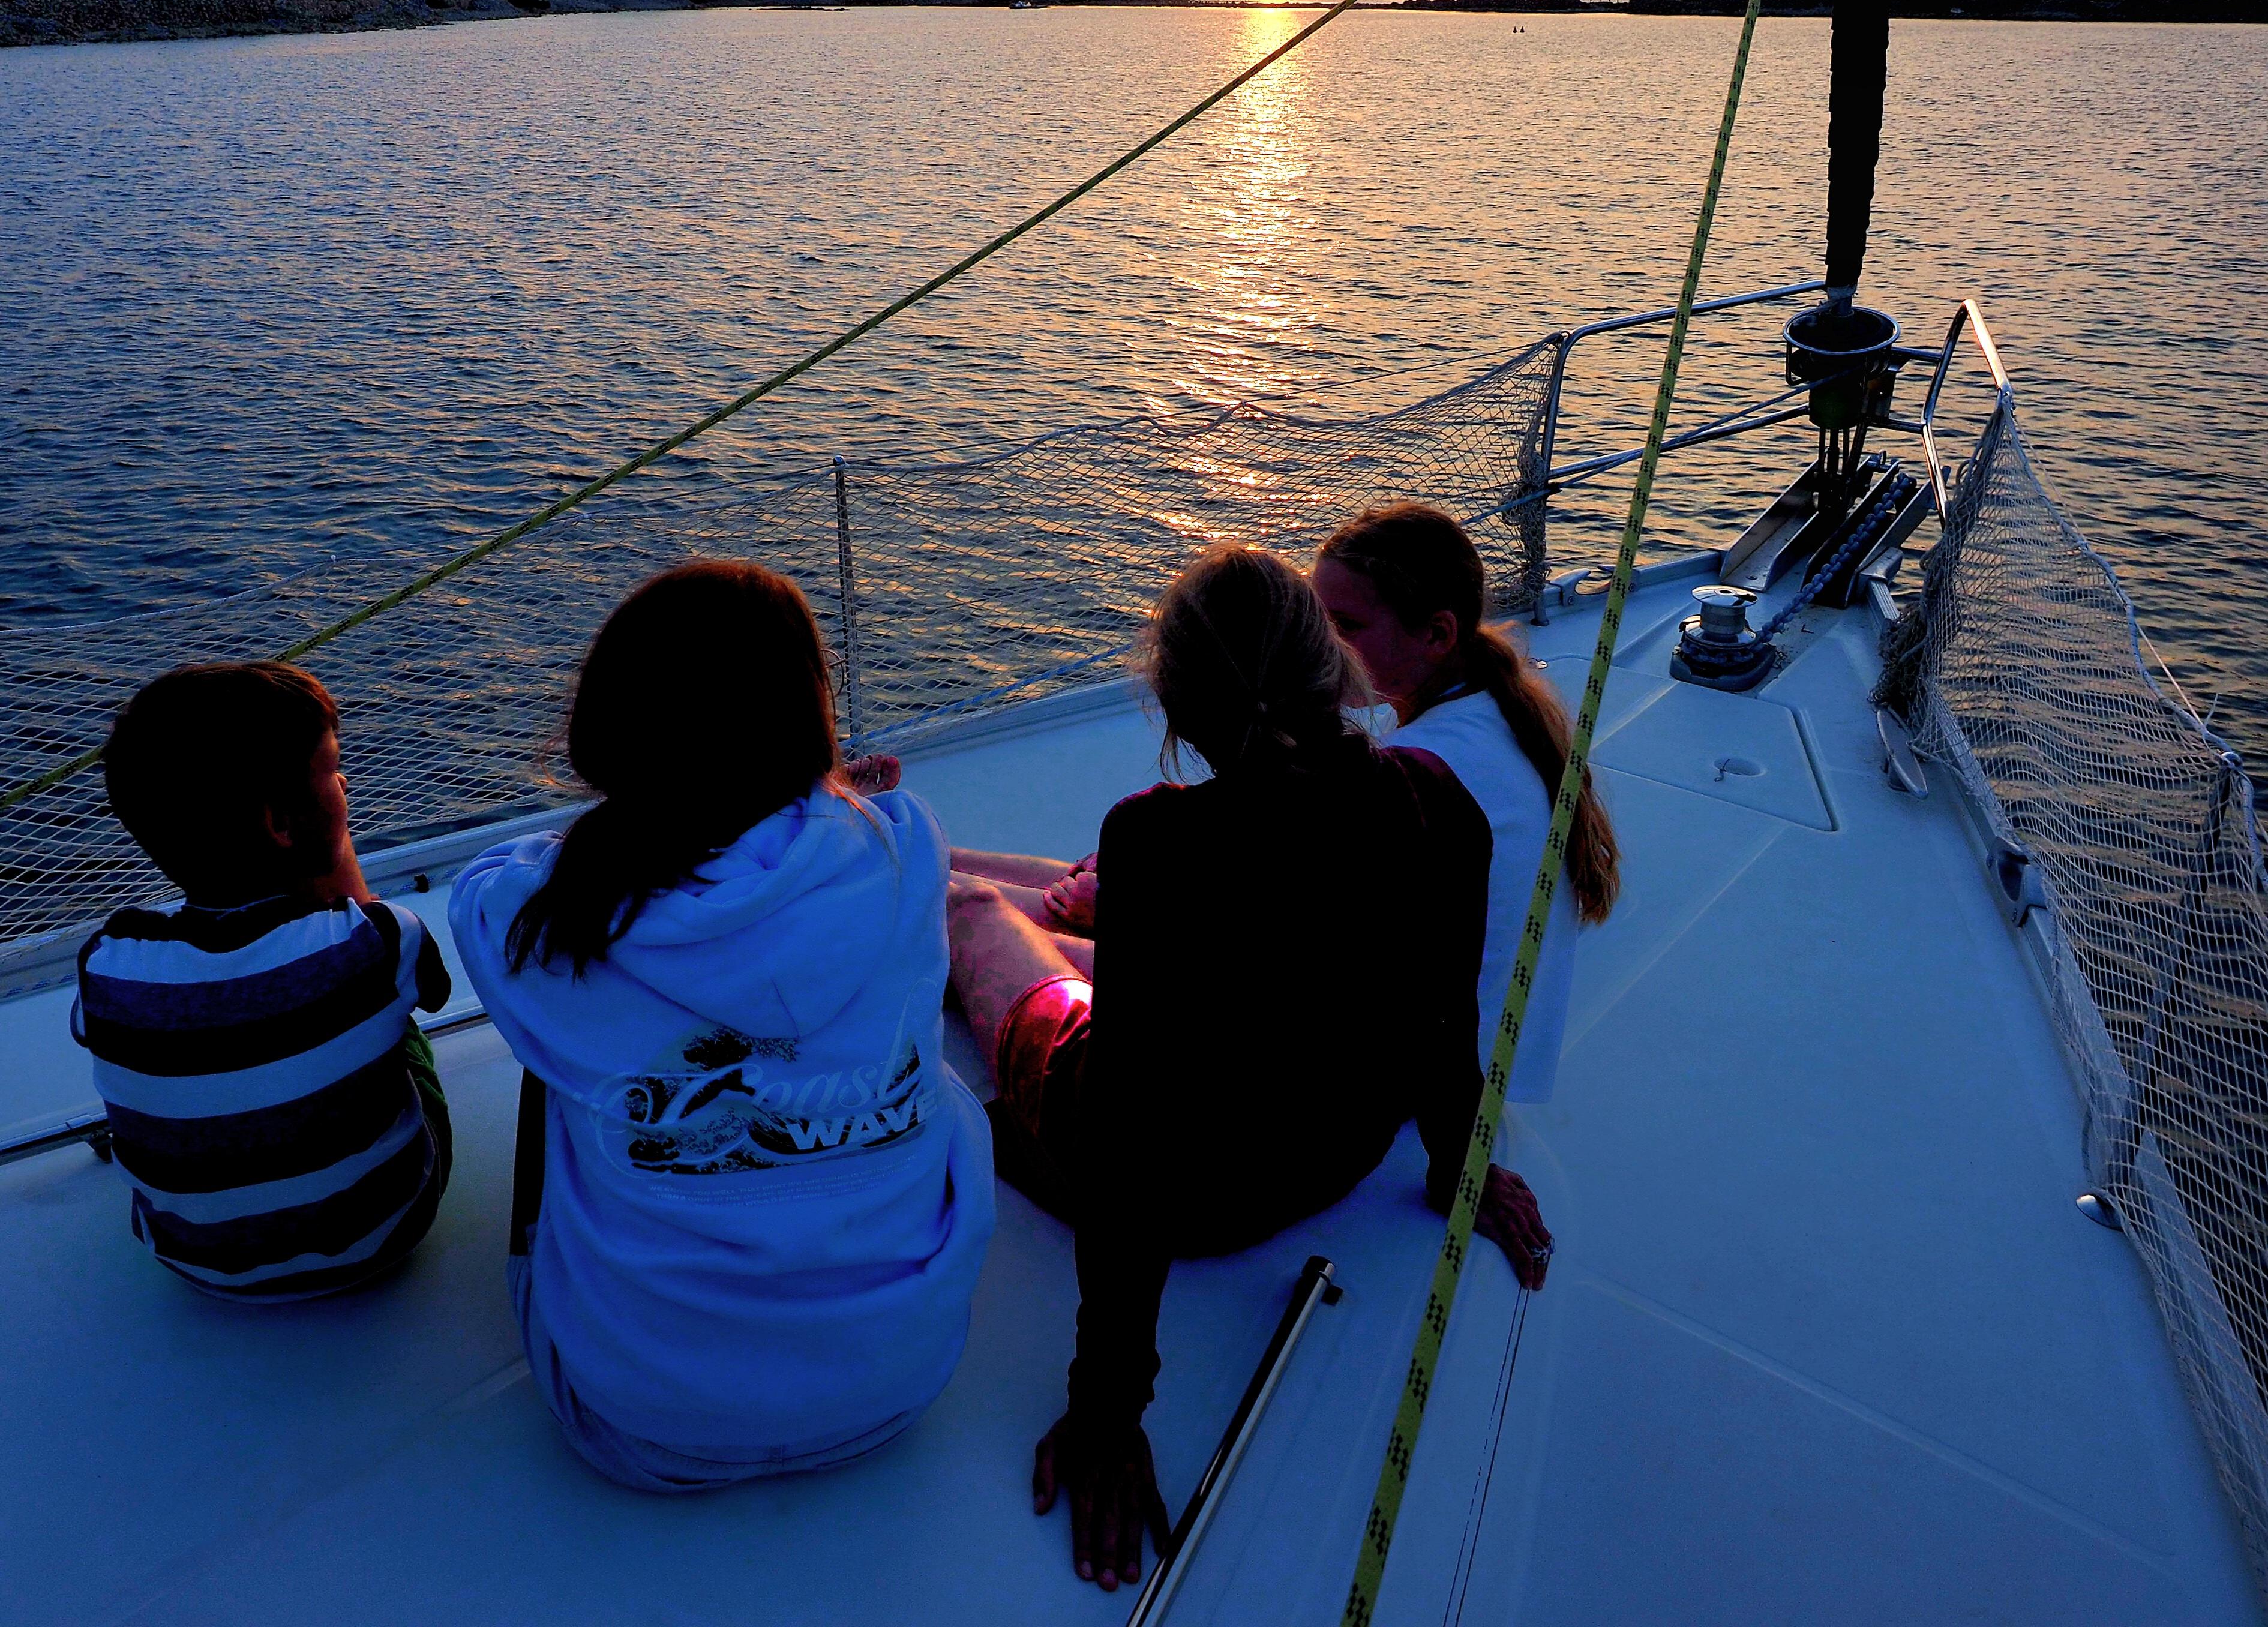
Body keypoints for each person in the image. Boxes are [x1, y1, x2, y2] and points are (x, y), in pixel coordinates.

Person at [946, 541, 1552, 1592]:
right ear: (1334, 673)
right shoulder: (1435, 803)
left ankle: (918, 864)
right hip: (1331, 1161)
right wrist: (1462, 1172)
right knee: (1061, 916)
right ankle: (957, 872)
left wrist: (1108, 1412)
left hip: (1199, 1201)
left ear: (1178, 713)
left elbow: (1129, 1139)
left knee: (972, 912)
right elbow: (1445, 1019)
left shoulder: (1158, 840)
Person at [449, 560, 994, 1492]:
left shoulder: (536, 918)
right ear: (806, 714)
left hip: (639, 1426)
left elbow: (488, 882)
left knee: (564, 1056)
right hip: (898, 1387)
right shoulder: (906, 843)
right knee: (912, 1061)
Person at [75, 662, 454, 1298]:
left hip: (192, 1265)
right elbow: (436, 997)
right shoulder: (378, 939)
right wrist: (334, 863)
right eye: (333, 770)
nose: (346, 781)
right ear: (281, 824)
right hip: (385, 1236)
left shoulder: (106, 960)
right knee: (396, 1017)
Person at [1314, 505, 1621, 1090]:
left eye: (1345, 626)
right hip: (1483, 1071)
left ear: (1436, 634)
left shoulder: (1421, 771)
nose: (1318, 644)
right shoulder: (1494, 717)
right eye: (1314, 620)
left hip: (1425, 1093)